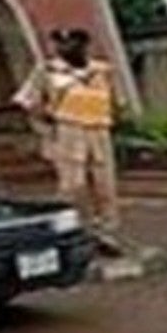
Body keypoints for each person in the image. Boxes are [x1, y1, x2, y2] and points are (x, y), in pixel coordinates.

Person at [13, 28, 124, 250]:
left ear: (85, 46)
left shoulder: (102, 71)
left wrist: (115, 119)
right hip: (69, 130)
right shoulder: (48, 70)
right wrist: (45, 126)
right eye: (61, 43)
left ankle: (106, 231)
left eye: (74, 42)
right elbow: (27, 100)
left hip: (99, 129)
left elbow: (117, 102)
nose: (67, 47)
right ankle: (75, 230)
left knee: (104, 184)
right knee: (73, 184)